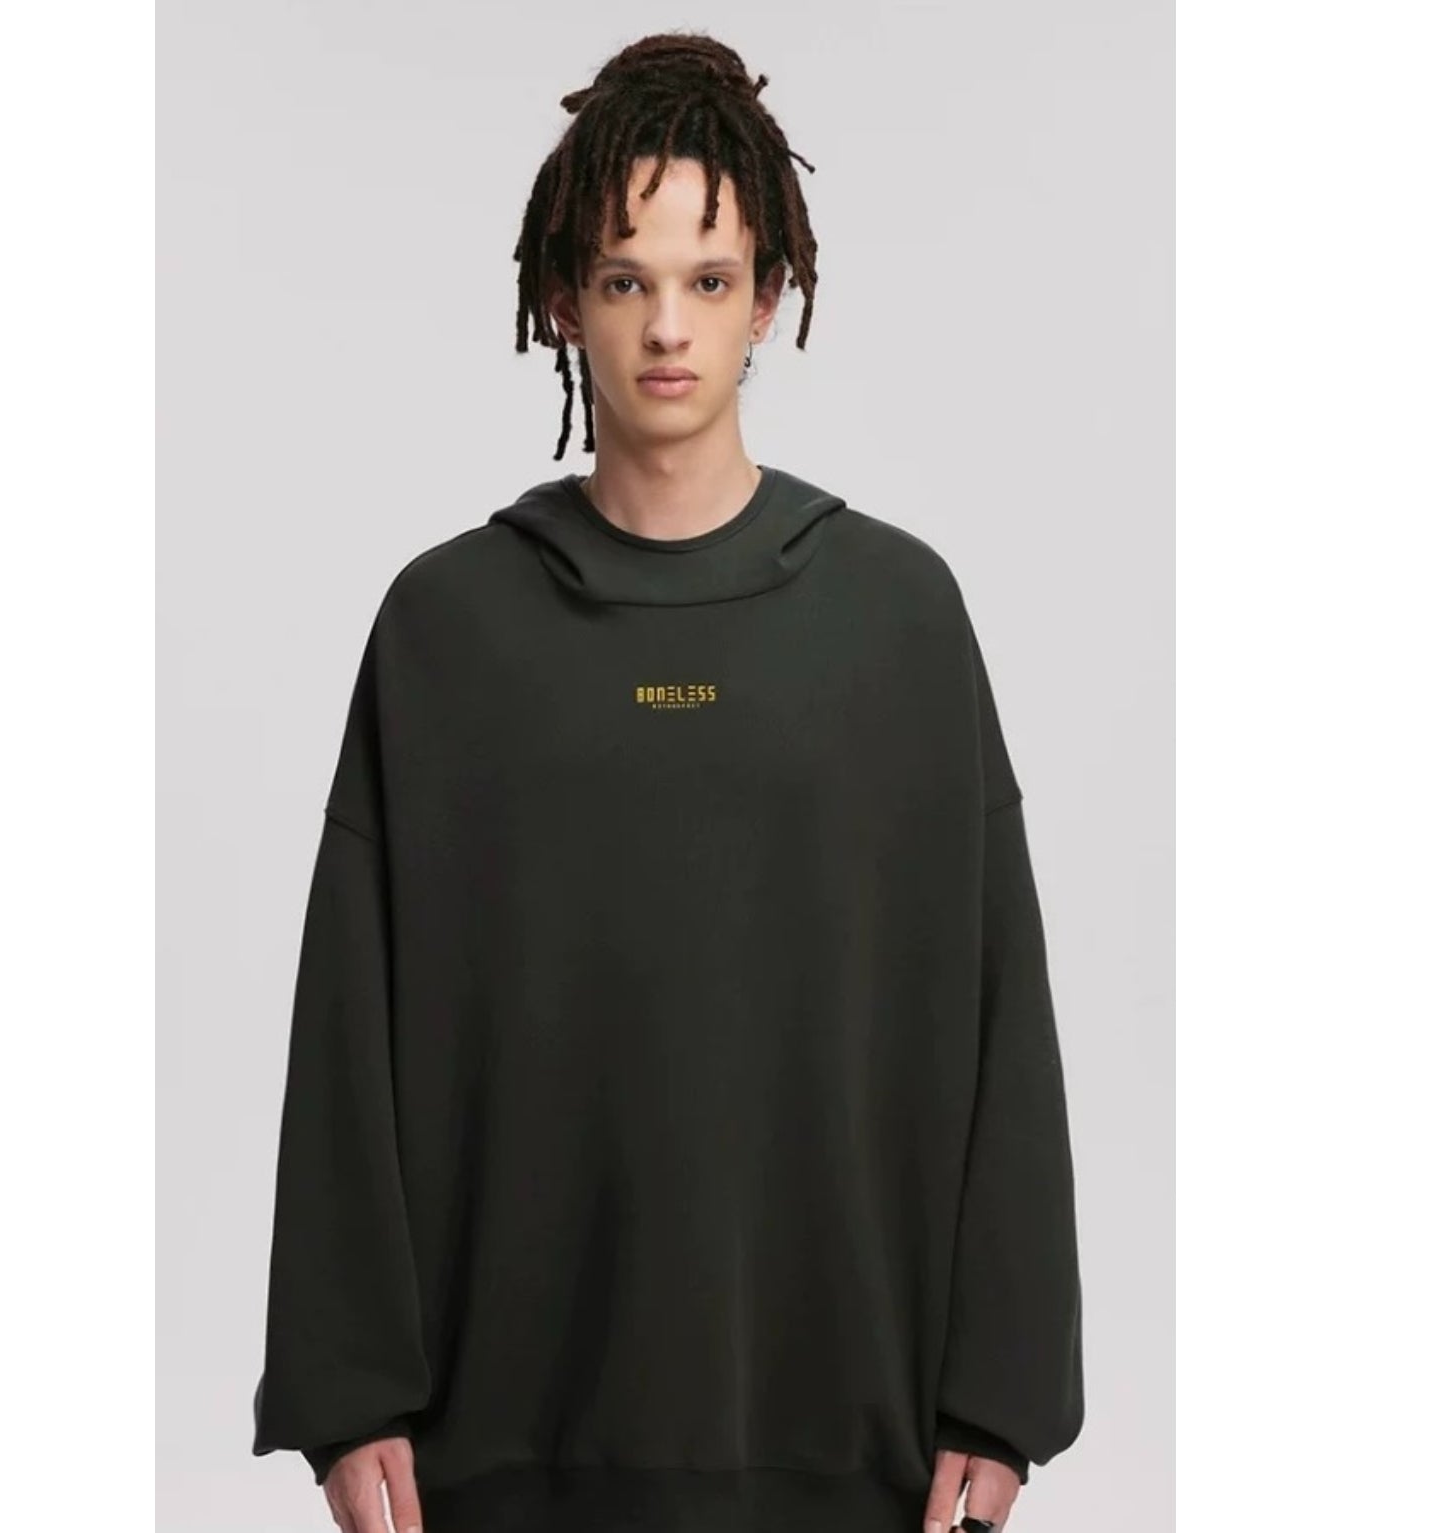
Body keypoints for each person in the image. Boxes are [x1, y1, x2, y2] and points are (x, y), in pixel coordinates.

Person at [250, 29, 1084, 1533]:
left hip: (857, 1447)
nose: (666, 328)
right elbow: (346, 1023)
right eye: (624, 279)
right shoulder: (447, 628)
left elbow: (999, 1008)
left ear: (768, 297)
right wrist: (345, 1386)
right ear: (562, 299)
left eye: (707, 280)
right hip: (500, 1449)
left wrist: (1003, 1391)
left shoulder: (897, 619)